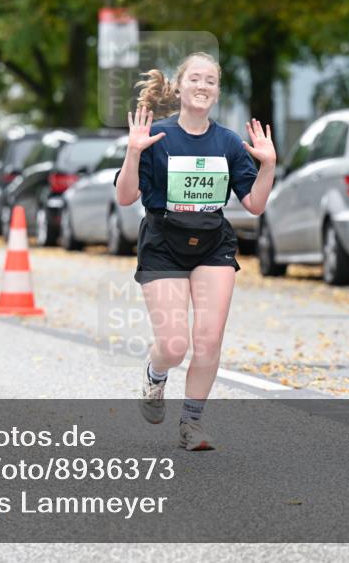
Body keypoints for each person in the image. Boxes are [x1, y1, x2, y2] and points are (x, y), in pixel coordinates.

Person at [114, 52, 276, 450]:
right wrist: (134, 151)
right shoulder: (158, 137)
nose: (203, 86)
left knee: (208, 340)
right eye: (195, 79)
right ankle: (156, 376)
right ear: (180, 86)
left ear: (216, 92)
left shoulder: (228, 143)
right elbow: (125, 197)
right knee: (174, 345)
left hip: (212, 245)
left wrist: (268, 164)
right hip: (163, 243)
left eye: (210, 81)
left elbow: (254, 205)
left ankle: (192, 423)